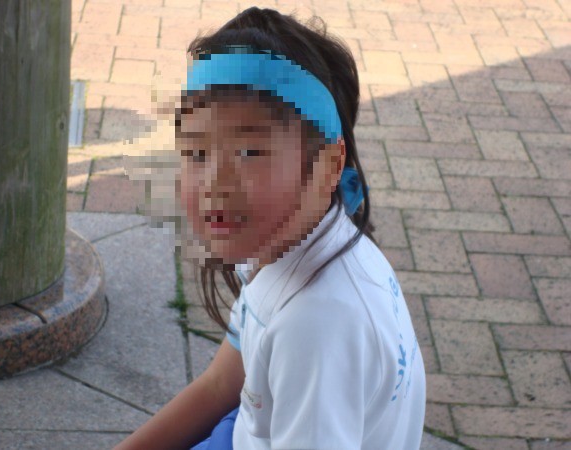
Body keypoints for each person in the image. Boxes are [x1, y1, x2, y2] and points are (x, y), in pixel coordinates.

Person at [115, 6, 425, 450]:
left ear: (328, 165)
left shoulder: (315, 324)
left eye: (250, 152)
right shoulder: (282, 240)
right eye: (197, 154)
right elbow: (221, 384)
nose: (216, 184)